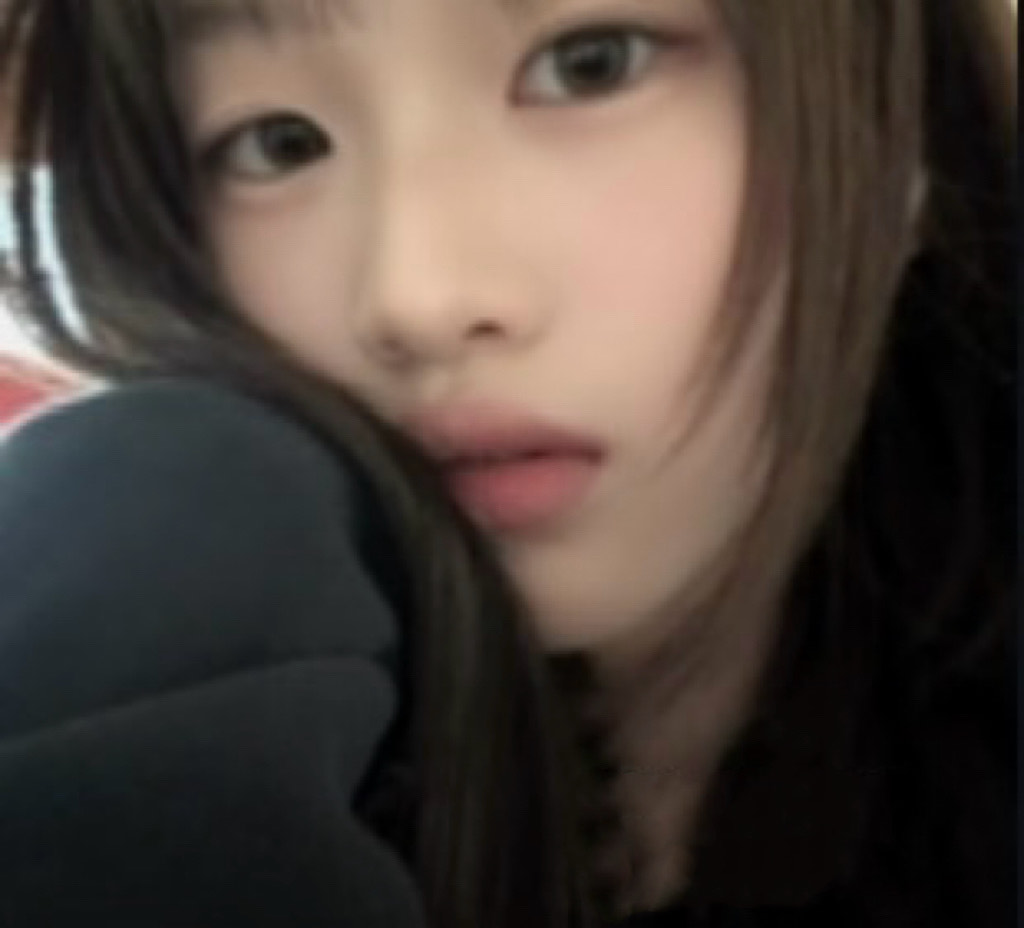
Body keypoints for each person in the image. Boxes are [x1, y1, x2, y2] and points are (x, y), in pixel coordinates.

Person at [0, 1, 1015, 926]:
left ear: (903, 135)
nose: (416, 298)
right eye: (279, 144)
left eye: (591, 64)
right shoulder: (172, 598)